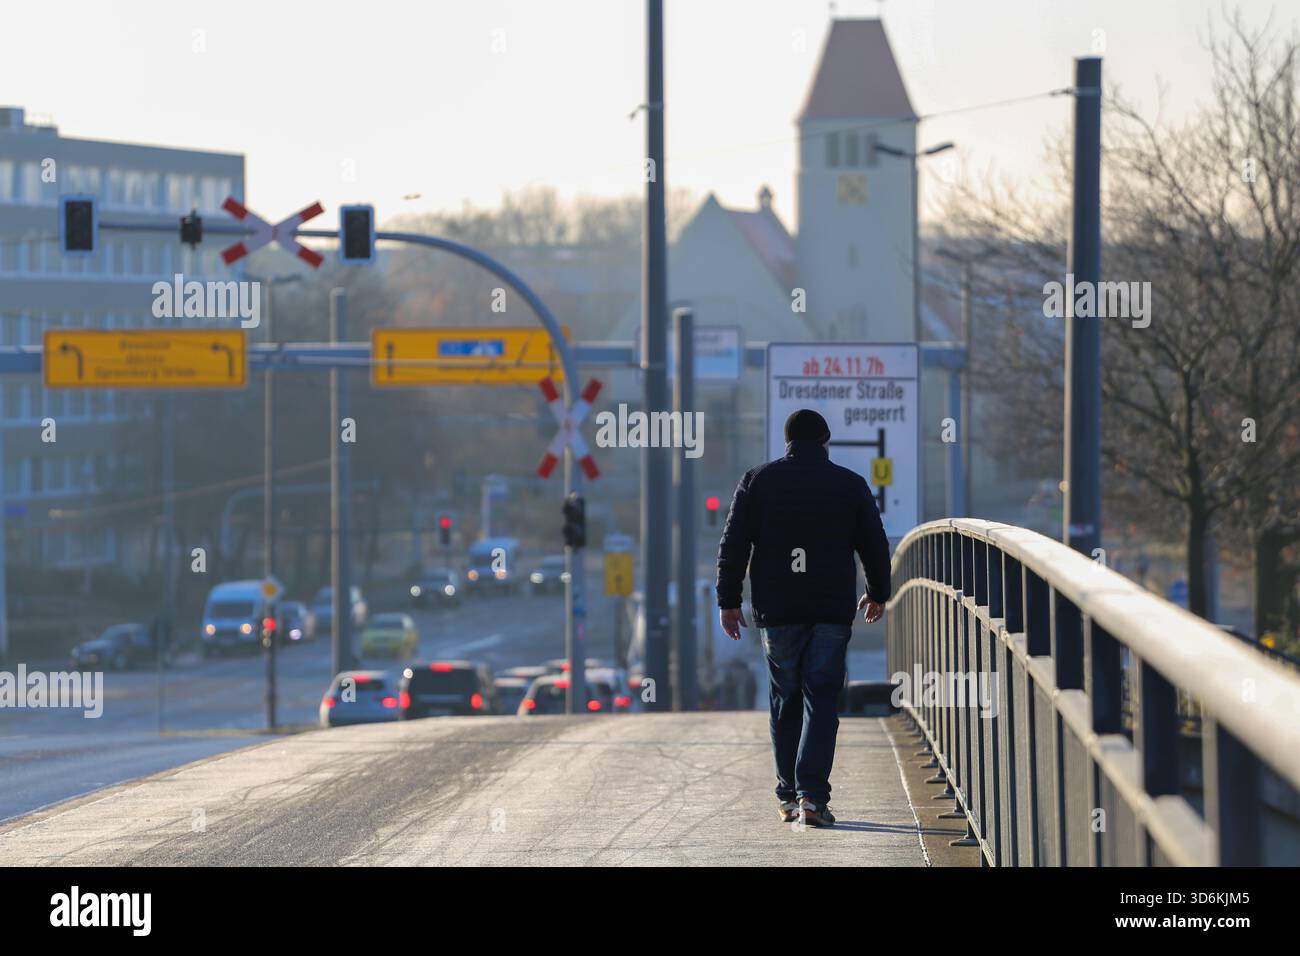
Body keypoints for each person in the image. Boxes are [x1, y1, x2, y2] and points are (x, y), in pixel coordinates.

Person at [715, 408, 891, 828]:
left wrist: (729, 600)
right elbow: (874, 542)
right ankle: (812, 795)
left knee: (785, 698)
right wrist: (877, 592)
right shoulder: (849, 484)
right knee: (823, 698)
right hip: (830, 610)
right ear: (825, 441)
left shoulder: (759, 481)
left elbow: (733, 542)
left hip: (778, 611)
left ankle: (788, 796)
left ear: (787, 441)